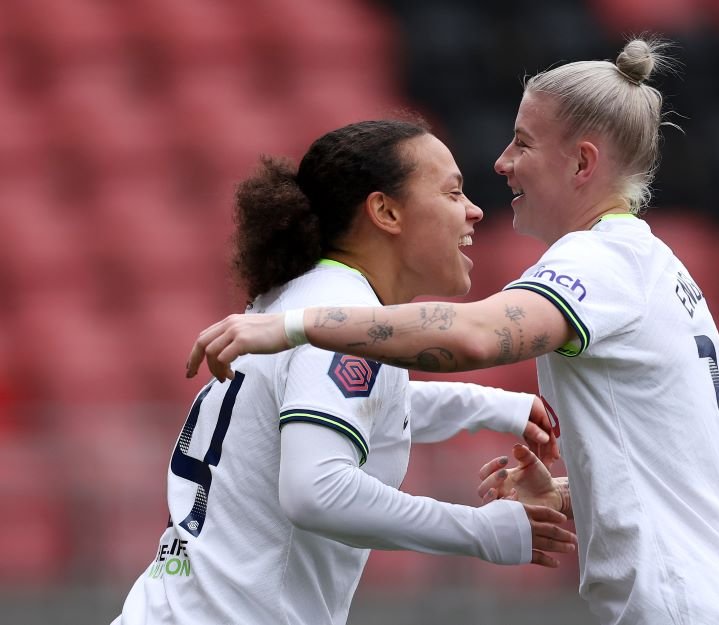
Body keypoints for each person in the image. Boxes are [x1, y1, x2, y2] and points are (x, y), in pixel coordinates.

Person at [187, 40, 719, 624]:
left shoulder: (599, 261)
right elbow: (674, 469)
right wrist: (570, 487)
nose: (500, 164)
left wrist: (296, 329)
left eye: (522, 143)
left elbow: (475, 335)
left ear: (583, 162)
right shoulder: (656, 267)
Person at [112, 119, 578, 625]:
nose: (473, 210)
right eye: (452, 192)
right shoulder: (339, 311)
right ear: (385, 211)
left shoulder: (300, 302)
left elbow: (359, 405)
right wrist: (484, 531)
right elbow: (317, 491)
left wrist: (494, 406)